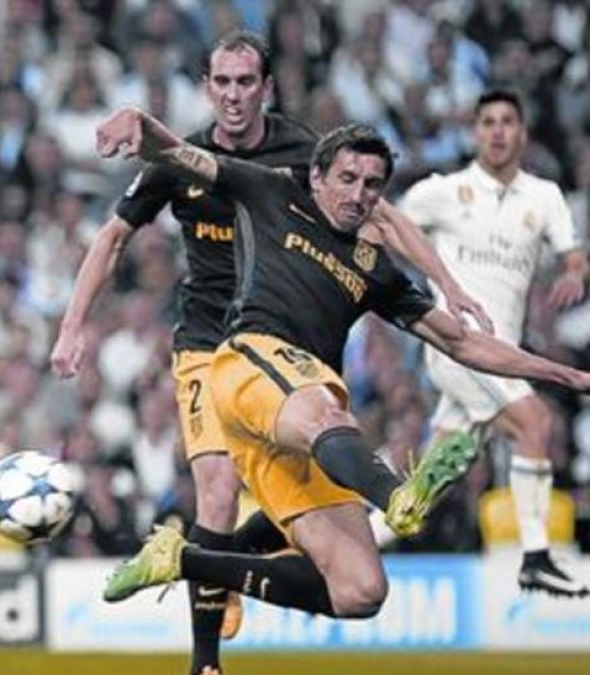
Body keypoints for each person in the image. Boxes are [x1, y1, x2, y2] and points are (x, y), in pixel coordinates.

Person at [50, 32, 485, 675]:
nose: (232, 95)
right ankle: (206, 663)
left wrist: (447, 285)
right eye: (221, 82)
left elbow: (384, 219)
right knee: (219, 492)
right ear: (207, 87)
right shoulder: (182, 156)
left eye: (245, 82)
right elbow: (114, 236)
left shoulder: (305, 152)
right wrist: (72, 325)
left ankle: (207, 566)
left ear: (266, 88)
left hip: (290, 342)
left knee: (313, 475)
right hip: (207, 341)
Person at [94, 108, 590, 624]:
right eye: (347, 179)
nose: (357, 195)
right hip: (248, 366)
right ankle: (397, 495)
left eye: (372, 185)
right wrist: (138, 122)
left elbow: (464, 344)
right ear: (317, 175)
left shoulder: (376, 271)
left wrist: (565, 375)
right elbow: (179, 154)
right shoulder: (270, 192)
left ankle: (182, 559)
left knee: (361, 591)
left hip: (295, 420)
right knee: (328, 410)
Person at [398, 88, 590, 597]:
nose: (498, 130)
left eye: (508, 121)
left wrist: (575, 272)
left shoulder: (545, 197)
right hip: (455, 346)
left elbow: (573, 254)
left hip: (504, 353)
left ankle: (351, 547)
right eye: (488, 122)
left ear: (522, 133)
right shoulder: (441, 191)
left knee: (424, 488)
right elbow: (387, 225)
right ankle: (535, 556)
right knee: (537, 421)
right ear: (475, 132)